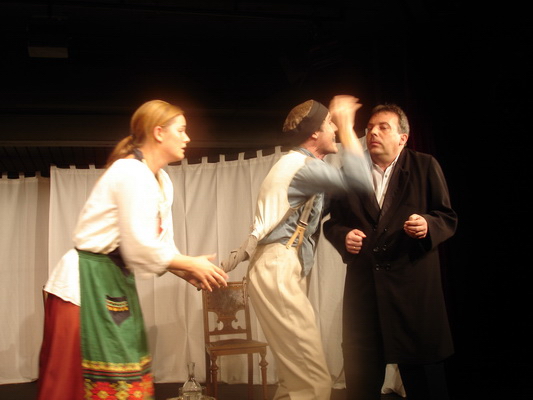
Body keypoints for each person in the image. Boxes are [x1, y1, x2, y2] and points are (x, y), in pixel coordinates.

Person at [37, 100, 228, 400]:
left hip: (112, 281)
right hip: (83, 286)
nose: (187, 138)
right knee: (75, 385)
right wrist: (189, 263)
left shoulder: (161, 181)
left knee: (127, 378)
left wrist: (184, 271)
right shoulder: (130, 172)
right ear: (159, 133)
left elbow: (159, 244)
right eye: (181, 130)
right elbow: (138, 248)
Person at [222, 95, 372, 400]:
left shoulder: (302, 167)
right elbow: (360, 179)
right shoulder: (303, 167)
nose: (334, 129)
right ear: (314, 132)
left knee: (294, 379)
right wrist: (347, 126)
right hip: (278, 267)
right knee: (312, 378)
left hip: (279, 268)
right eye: (329, 123)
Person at [323, 103, 458, 400]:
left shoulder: (424, 166)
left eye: (383, 127)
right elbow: (331, 223)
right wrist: (344, 237)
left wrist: (428, 224)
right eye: (370, 127)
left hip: (413, 295)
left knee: (426, 383)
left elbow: (447, 217)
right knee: (361, 384)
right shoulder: (349, 173)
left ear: (403, 138)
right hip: (365, 297)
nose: (373, 132)